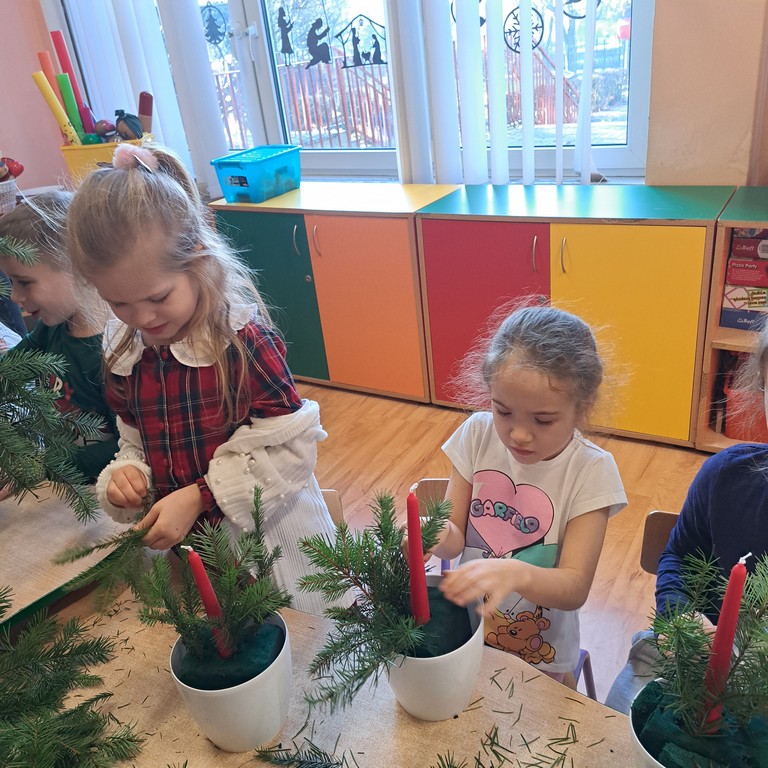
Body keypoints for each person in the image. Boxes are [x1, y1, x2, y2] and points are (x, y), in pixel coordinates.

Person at [66, 141, 336, 614]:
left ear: (199, 259)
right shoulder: (125, 350)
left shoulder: (242, 343)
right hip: (195, 557)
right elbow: (134, 441)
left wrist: (200, 495)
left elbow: (293, 451)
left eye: (157, 297)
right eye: (118, 302)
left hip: (273, 546)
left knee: (302, 638)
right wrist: (129, 476)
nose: (141, 318)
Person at [431, 304, 627, 684]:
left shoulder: (591, 471)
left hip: (541, 653)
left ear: (583, 405)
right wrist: (434, 532)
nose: (519, 434)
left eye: (543, 420)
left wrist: (515, 572)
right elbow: (453, 538)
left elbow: (574, 587)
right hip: (469, 635)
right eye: (503, 411)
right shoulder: (477, 435)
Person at [605, 320, 768, 712]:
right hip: (694, 658)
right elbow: (679, 554)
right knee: (626, 704)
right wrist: (682, 619)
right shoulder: (727, 476)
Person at [0, 191, 118, 487]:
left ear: (78, 267)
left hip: (100, 492)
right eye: (10, 282)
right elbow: (12, 369)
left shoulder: (113, 354)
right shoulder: (51, 327)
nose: (14, 296)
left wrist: (44, 466)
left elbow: (124, 446)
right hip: (57, 479)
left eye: (24, 282)